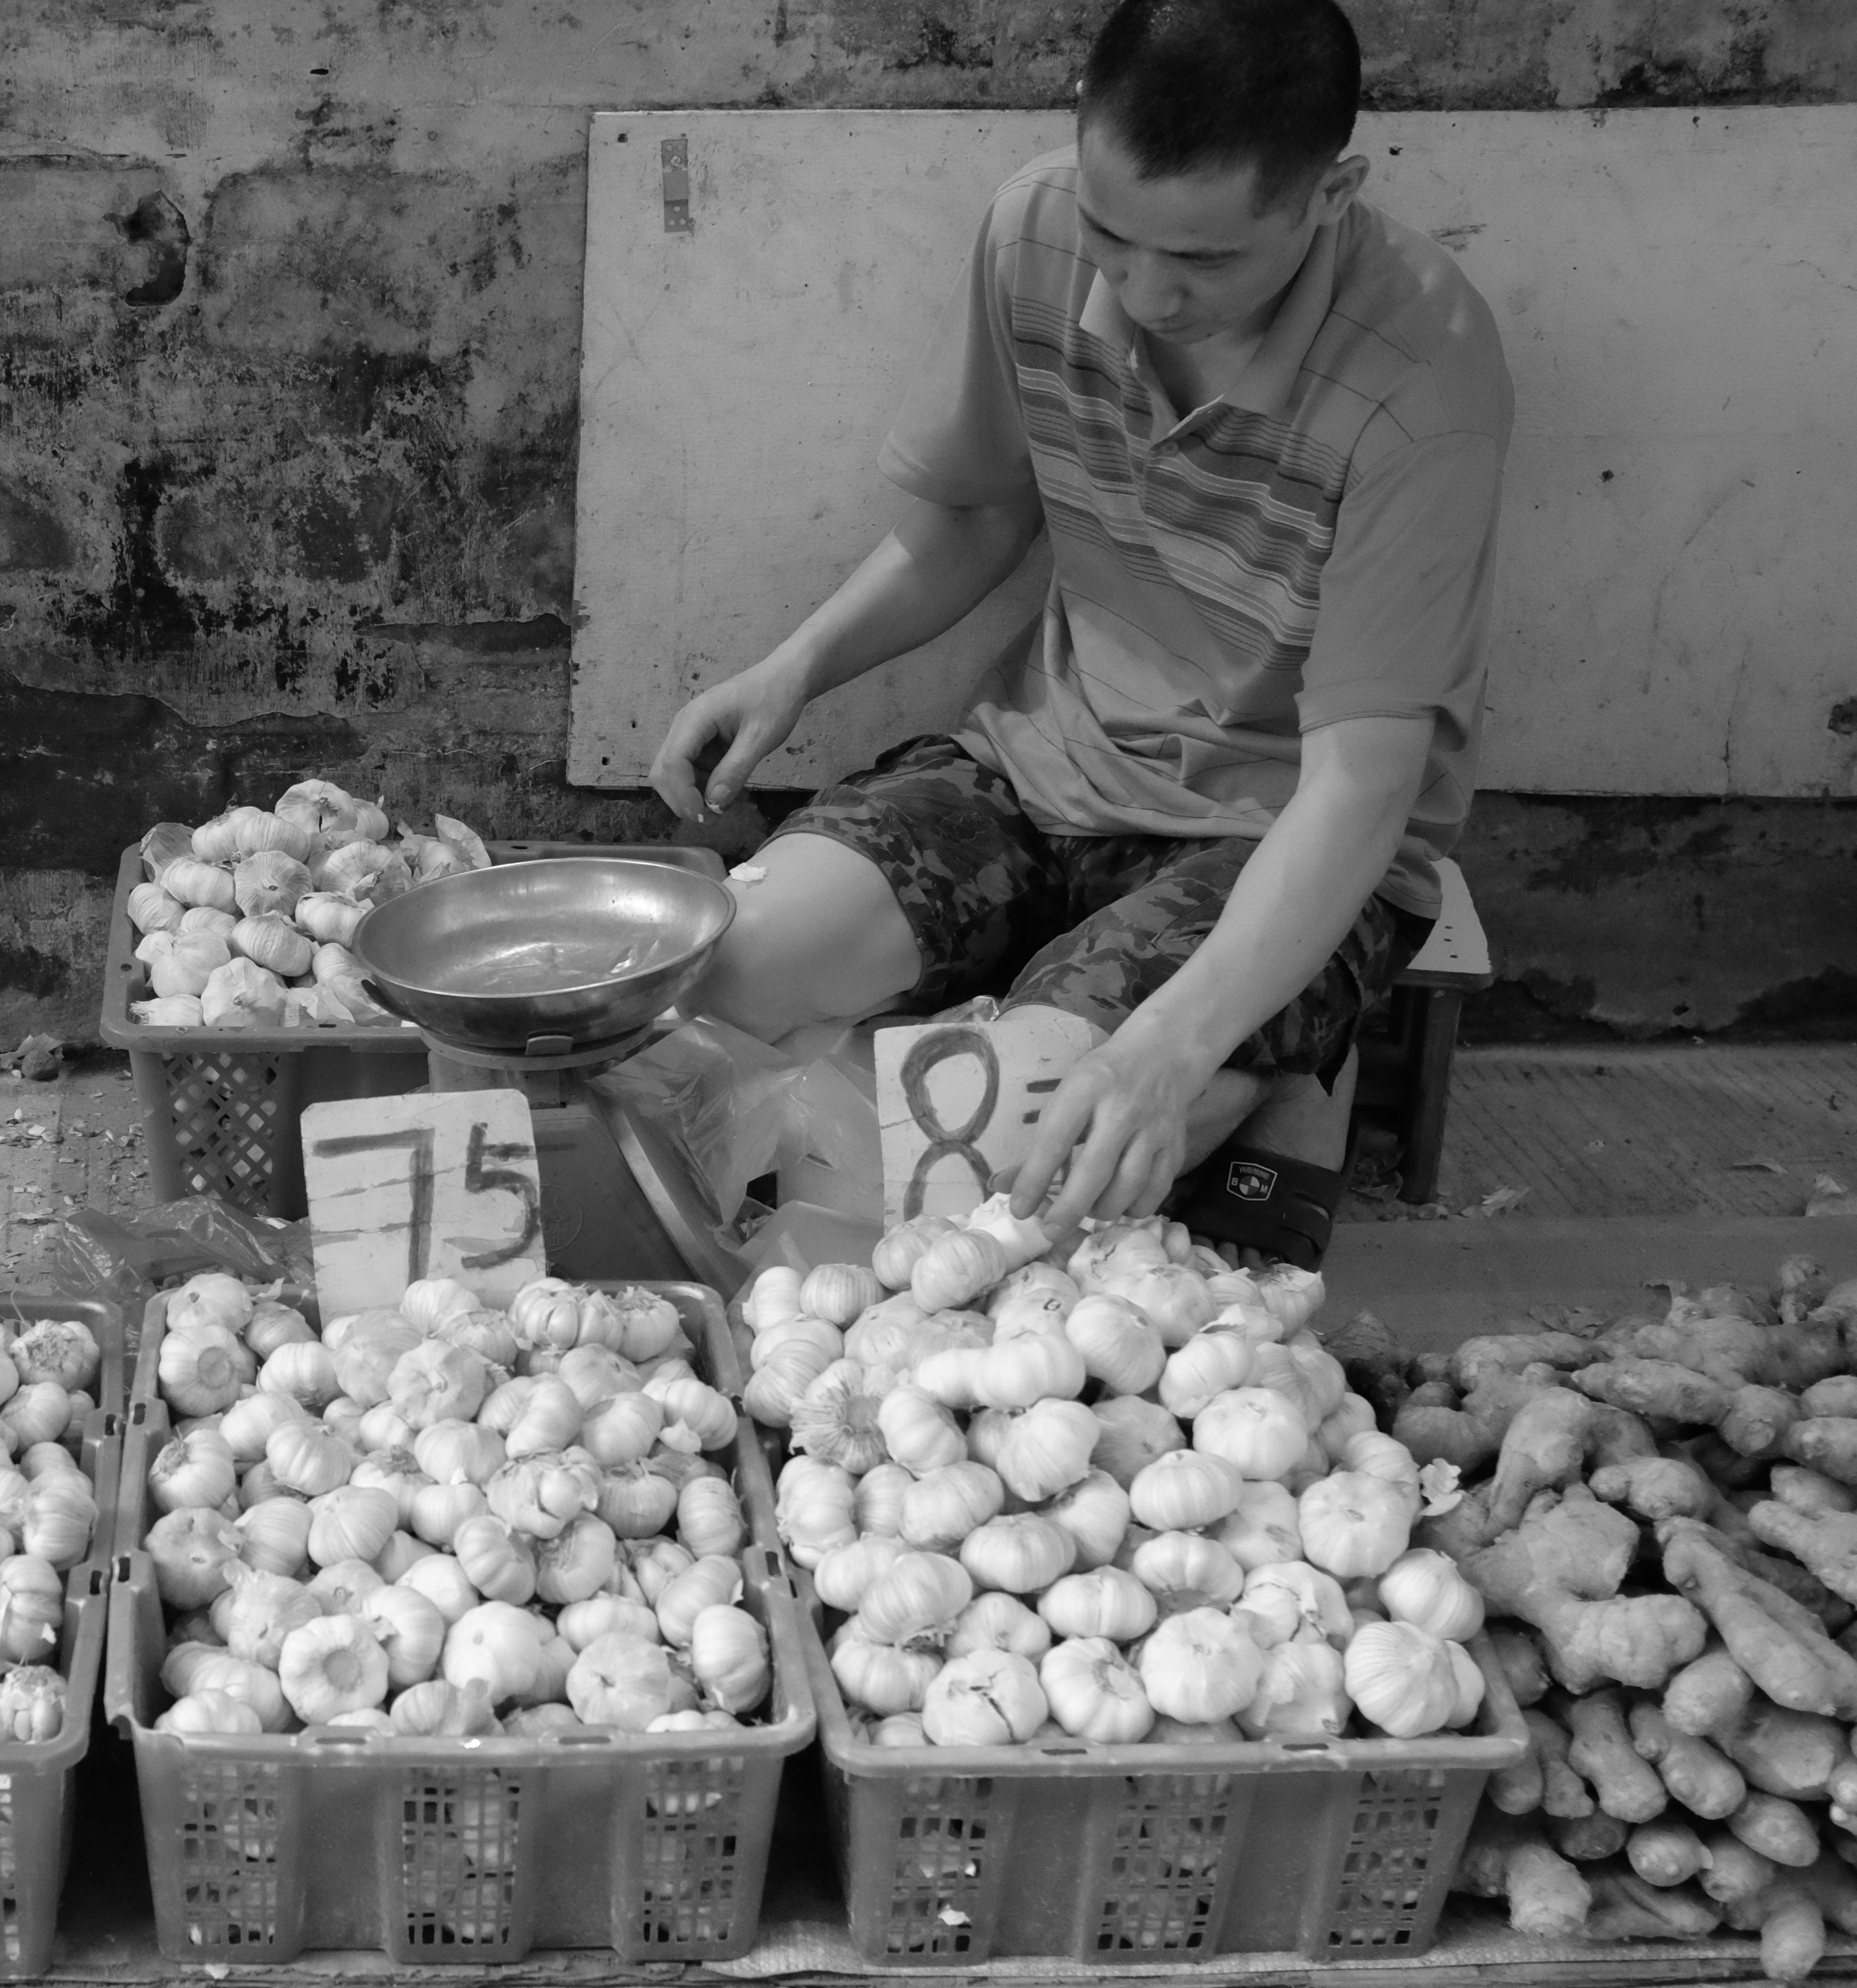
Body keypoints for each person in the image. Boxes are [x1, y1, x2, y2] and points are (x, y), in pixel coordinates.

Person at [646, 0, 1509, 1267]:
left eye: (1205, 264)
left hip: (1273, 837)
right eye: (1114, 238)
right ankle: (1234, 1052)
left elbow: (1363, 783)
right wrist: (794, 669)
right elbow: (975, 525)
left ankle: (1253, 1054)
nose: (1147, 294)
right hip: (1035, 769)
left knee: (1033, 1147)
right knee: (720, 977)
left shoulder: (1424, 373)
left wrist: (1162, 1054)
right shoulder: (1032, 230)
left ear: (1332, 195)